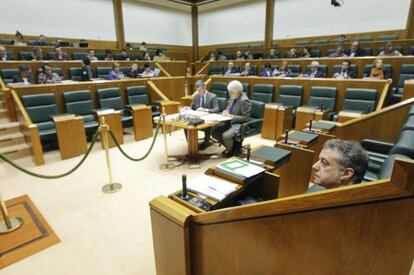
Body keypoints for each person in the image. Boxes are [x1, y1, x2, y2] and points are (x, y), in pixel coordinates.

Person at [212, 80, 251, 157]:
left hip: (239, 124)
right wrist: (225, 111)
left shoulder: (244, 100)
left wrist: (231, 116)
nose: (229, 94)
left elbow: (246, 118)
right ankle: (232, 148)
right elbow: (229, 107)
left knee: (226, 135)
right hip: (229, 121)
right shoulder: (233, 96)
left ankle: (231, 153)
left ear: (238, 92)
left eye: (230, 92)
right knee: (215, 132)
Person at [188, 80, 219, 150]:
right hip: (198, 118)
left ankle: (206, 143)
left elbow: (216, 109)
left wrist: (205, 110)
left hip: (209, 119)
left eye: (199, 91)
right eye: (197, 91)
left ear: (204, 87)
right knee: (187, 124)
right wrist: (188, 108)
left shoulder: (213, 96)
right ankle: (191, 142)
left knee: (207, 125)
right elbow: (191, 107)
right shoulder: (196, 96)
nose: (198, 93)